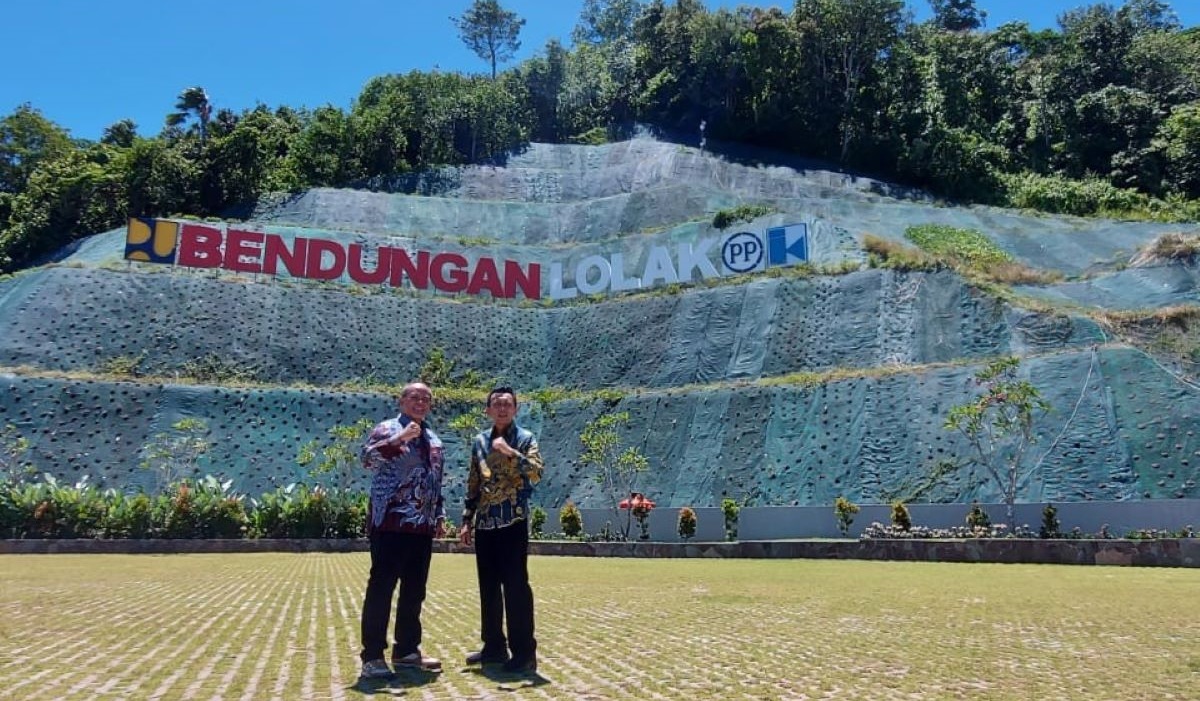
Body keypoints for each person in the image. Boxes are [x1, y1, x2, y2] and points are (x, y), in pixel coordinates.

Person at [357, 382, 447, 679]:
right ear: (402, 401)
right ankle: (372, 656)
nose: (420, 402)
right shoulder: (386, 428)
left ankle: (407, 650)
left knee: (414, 592)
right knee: (381, 589)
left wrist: (440, 514)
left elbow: (436, 480)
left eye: (426, 399)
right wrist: (400, 437)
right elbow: (368, 459)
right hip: (390, 523)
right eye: (415, 397)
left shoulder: (433, 439)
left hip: (421, 526)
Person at [458, 386, 544, 673]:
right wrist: (467, 519)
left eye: (508, 404)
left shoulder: (525, 438)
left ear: (516, 409)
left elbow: (536, 471)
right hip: (485, 523)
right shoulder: (479, 442)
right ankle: (494, 646)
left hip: (513, 522)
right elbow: (473, 482)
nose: (502, 408)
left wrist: (510, 453)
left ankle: (524, 653)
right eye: (497, 404)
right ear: (488, 410)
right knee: (489, 588)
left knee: (516, 588)